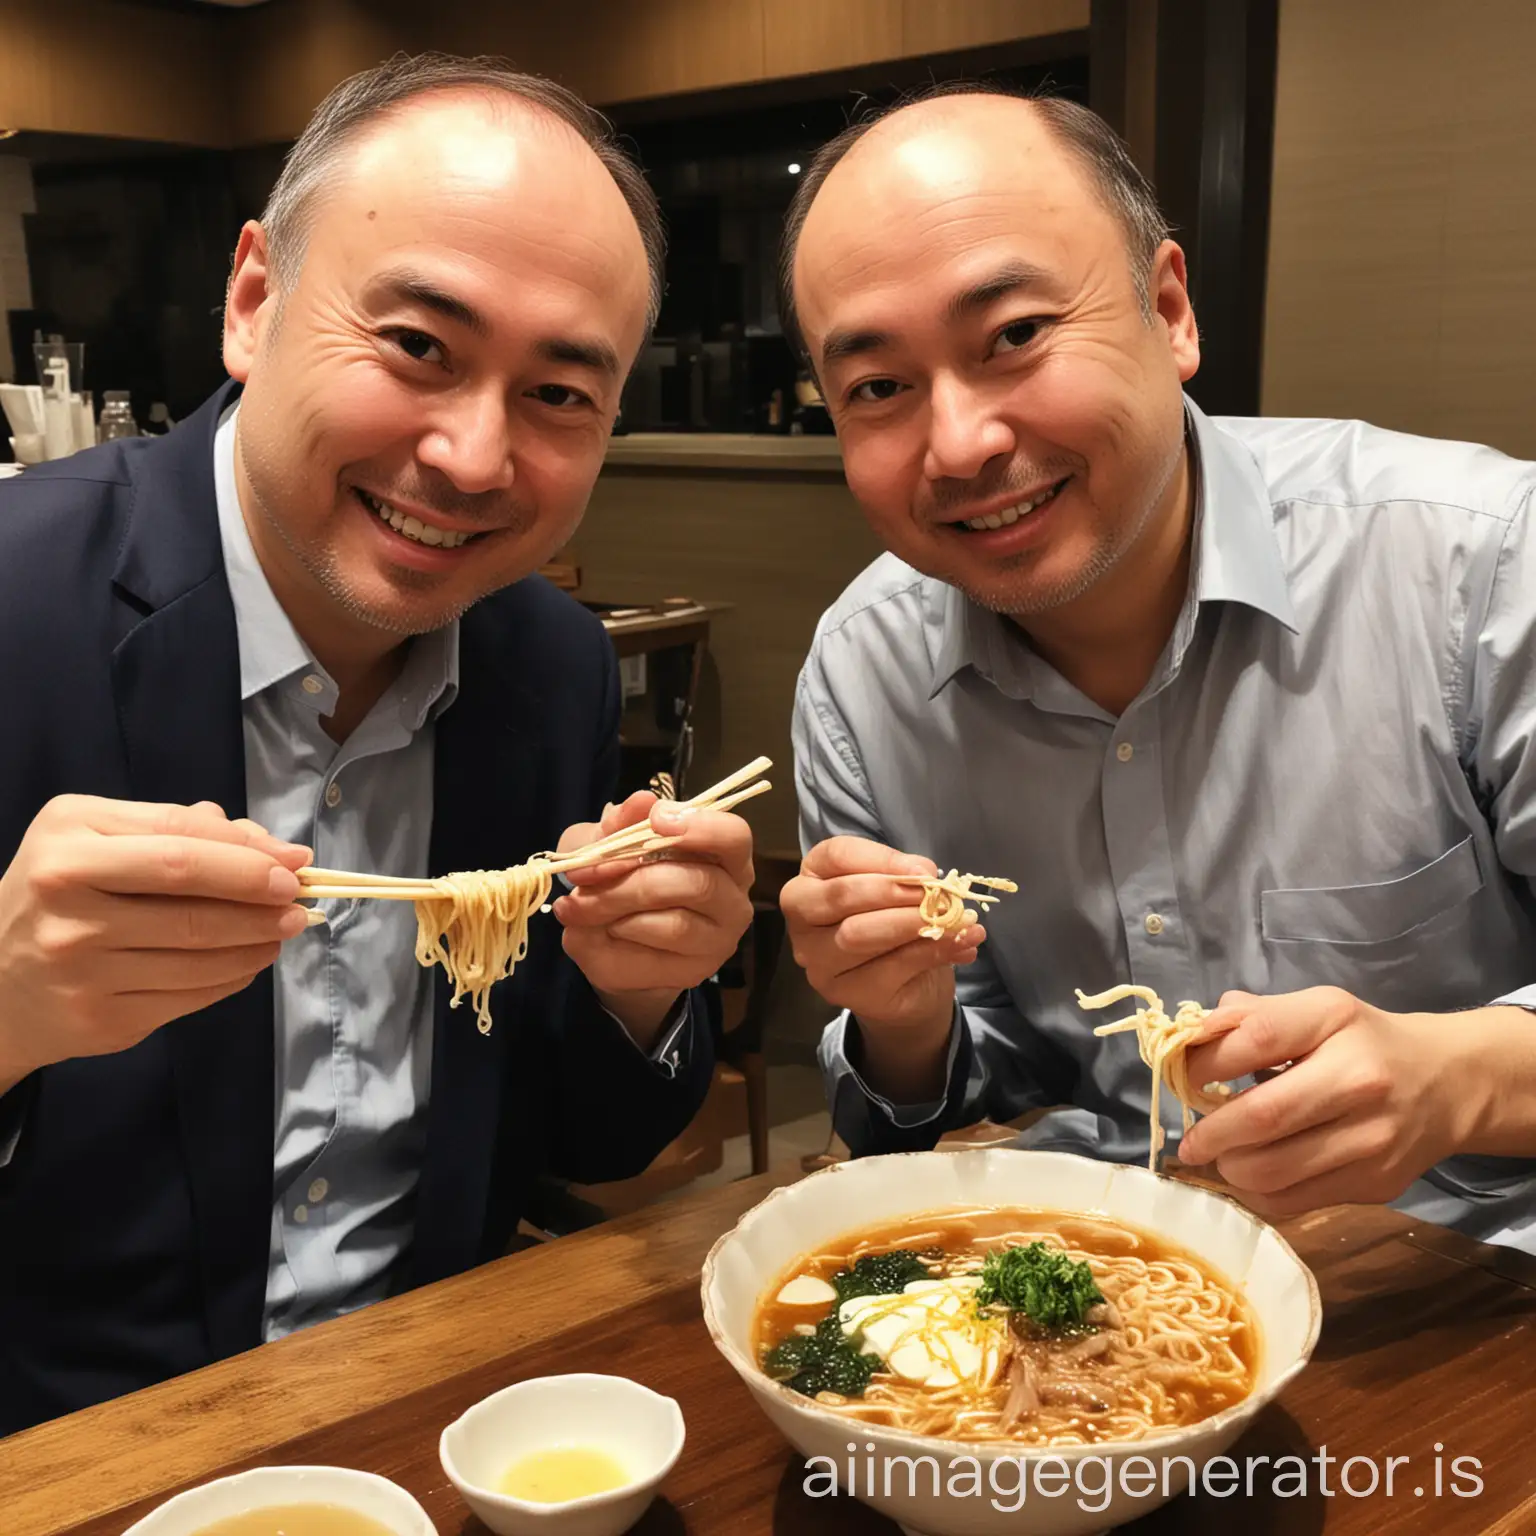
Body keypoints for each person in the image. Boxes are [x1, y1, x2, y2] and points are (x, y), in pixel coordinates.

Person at [0, 54, 756, 1435]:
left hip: (444, 1416)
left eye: (560, 395)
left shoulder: (548, 665)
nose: (474, 458)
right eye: (418, 346)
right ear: (252, 301)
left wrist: (643, 993)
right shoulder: (17, 604)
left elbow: (589, 1144)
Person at [777, 82, 1536, 1253]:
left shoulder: (1477, 566)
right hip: (1106, 1304)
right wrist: (904, 1019)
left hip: (1467, 1303)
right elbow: (947, 1103)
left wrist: (1459, 1079)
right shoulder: (863, 677)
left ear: (1170, 311)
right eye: (878, 387)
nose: (962, 443)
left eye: (1017, 335)